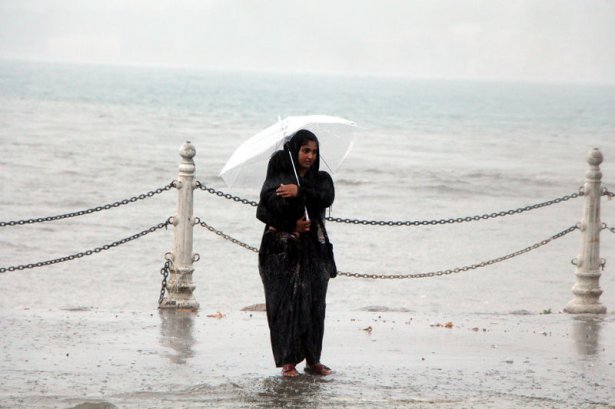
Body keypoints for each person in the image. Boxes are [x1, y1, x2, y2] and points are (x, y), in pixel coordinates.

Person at [256, 129, 337, 377]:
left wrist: (299, 191)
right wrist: (293, 226)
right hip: (281, 250)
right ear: (295, 151)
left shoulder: (320, 179)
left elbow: (326, 197)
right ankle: (288, 362)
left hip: (314, 251)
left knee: (315, 306)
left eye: (314, 152)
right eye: (305, 150)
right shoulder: (278, 179)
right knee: (285, 305)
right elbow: (263, 211)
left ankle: (313, 360)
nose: (310, 156)